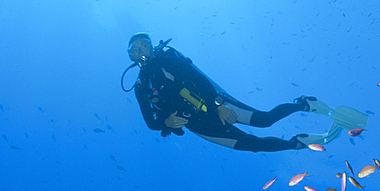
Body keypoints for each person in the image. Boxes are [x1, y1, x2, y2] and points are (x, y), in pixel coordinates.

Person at [123, 33, 366, 152]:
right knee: (253, 145)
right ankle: (297, 143)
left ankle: (304, 104)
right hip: (197, 124)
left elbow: (200, 80)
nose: (141, 50)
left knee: (263, 120)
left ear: (152, 46)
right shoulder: (140, 86)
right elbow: (150, 122)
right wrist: (165, 121)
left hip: (214, 102)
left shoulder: (169, 60)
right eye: (136, 49)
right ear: (131, 57)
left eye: (144, 45)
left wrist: (219, 105)